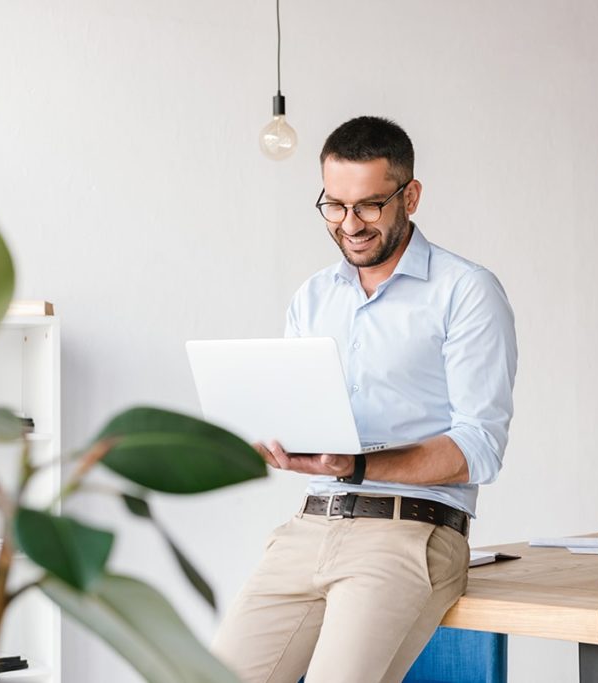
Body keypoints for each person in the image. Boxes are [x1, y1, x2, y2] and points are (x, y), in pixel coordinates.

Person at [210, 116, 517, 683]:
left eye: (370, 206)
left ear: (411, 196)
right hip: (307, 528)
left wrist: (358, 466)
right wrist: (269, 439)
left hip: (408, 533)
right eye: (334, 205)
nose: (349, 224)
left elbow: (480, 445)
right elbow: (300, 414)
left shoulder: (465, 291)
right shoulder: (313, 296)